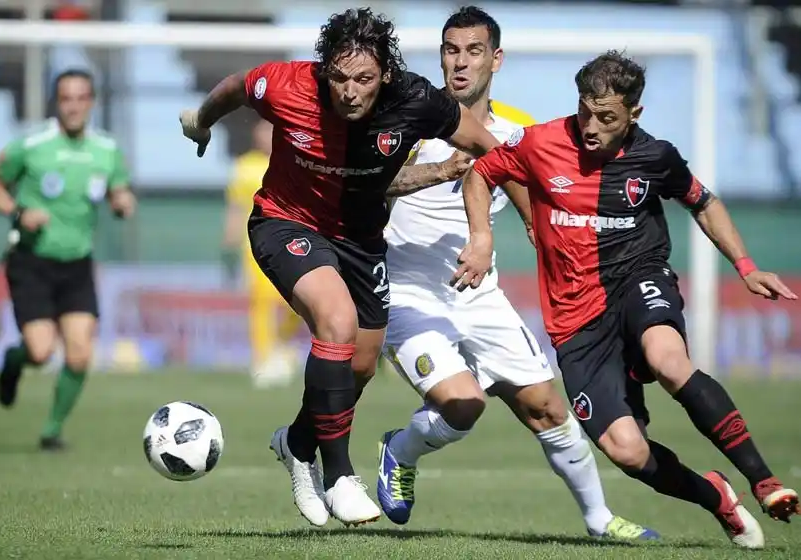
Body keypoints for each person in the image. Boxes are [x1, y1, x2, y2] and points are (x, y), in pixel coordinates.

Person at [455, 50, 799, 549]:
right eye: (584, 112)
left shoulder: (655, 156)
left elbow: (703, 203)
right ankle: (716, 497)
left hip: (640, 279)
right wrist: (482, 235)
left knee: (668, 359)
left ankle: (763, 480)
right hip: (576, 319)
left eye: (607, 117)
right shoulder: (539, 142)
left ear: (634, 114)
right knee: (627, 451)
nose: (591, 126)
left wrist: (745, 268)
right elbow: (482, 172)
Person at [179, 8, 502, 527]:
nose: (350, 91)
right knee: (336, 324)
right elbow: (236, 86)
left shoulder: (416, 99)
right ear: (322, 68)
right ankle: (339, 475)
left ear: (386, 76)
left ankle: (298, 442)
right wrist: (202, 121)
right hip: (287, 224)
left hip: (361, 239)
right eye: (339, 77)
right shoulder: (285, 84)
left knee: (358, 366)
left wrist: (492, 228)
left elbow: (491, 150)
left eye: (364, 79)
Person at [375, 7, 656, 540]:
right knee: (463, 406)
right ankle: (400, 449)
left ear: (495, 59)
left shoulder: (514, 131)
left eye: (474, 51)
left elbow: (535, 199)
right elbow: (367, 183)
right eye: (451, 50)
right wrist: (437, 170)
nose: (461, 63)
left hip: (481, 295)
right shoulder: (408, 118)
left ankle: (600, 522)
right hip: (411, 292)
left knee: (548, 408)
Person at [0, 68, 136, 451]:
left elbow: (118, 190)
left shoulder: (107, 149)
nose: (74, 106)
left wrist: (122, 202)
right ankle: (15, 361)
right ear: (56, 102)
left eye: (81, 98)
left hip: (77, 264)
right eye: (66, 98)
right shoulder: (32, 145)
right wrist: (18, 212)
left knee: (80, 354)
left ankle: (51, 431)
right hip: (32, 261)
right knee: (40, 351)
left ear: (92, 102)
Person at [224, 119, 302, 388]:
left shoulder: (294, 162)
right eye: (262, 131)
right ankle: (262, 358)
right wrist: (230, 238)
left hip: (294, 241)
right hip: (256, 244)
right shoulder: (245, 166)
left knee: (298, 301)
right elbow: (236, 205)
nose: (266, 136)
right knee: (262, 302)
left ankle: (280, 345)